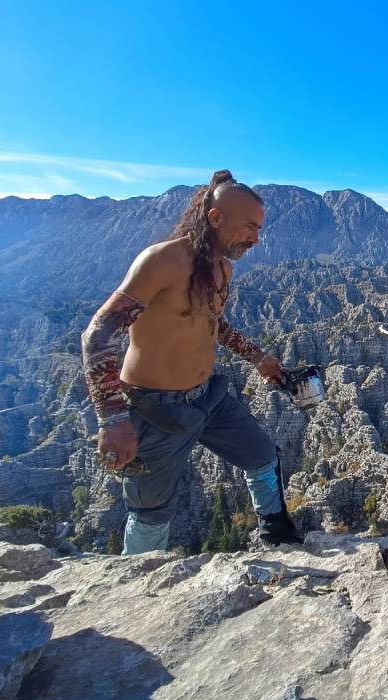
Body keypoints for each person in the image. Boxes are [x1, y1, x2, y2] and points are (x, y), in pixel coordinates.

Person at [81, 170, 299, 553]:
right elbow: (98, 334)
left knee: (263, 457)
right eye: (250, 227)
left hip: (207, 396)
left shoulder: (222, 269)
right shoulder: (162, 261)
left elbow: (212, 323)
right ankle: (136, 585)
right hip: (153, 409)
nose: (256, 238)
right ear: (216, 218)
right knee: (151, 511)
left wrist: (259, 358)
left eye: (259, 229)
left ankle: (276, 533)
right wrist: (114, 420)